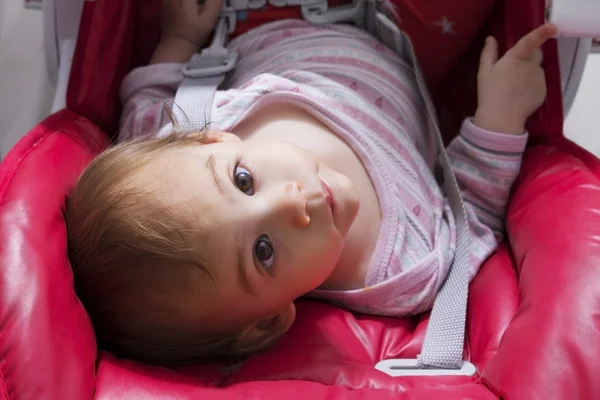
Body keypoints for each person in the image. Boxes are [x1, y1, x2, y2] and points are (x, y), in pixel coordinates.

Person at [66, 0, 557, 366]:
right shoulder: (405, 272)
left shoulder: (179, 132)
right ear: (266, 321)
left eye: (243, 180)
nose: (290, 203)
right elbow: (473, 209)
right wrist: (499, 116)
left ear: (211, 141)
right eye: (263, 251)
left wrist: (180, 38)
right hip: (409, 40)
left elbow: (148, 94)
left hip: (260, 18)